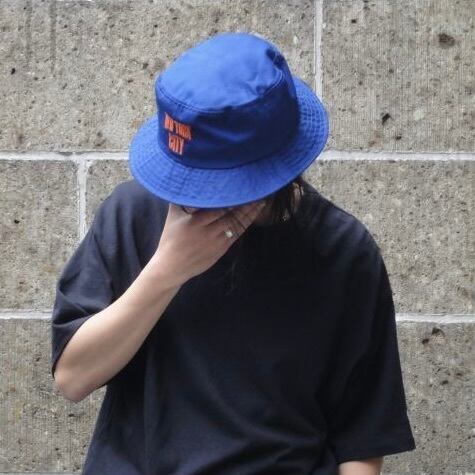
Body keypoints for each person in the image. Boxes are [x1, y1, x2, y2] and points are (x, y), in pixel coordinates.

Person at [50, 32, 416, 475]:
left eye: (216, 182)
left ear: (274, 166)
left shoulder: (342, 250)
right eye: (187, 177)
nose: (196, 197)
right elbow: (73, 378)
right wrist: (167, 270)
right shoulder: (132, 214)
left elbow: (362, 435)